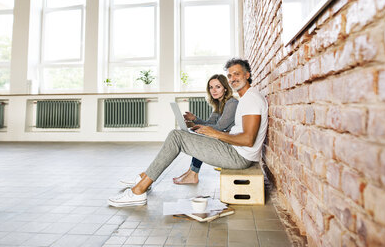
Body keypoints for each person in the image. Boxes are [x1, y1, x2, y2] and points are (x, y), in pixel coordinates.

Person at [108, 58, 268, 207]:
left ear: (247, 75)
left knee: (176, 136)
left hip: (239, 157)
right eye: (230, 75)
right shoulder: (247, 98)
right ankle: (144, 180)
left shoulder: (250, 99)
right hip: (235, 151)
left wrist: (216, 134)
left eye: (237, 74)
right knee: (180, 135)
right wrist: (205, 128)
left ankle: (138, 191)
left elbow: (248, 139)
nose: (233, 78)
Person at [173, 74, 238, 185]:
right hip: (223, 139)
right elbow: (210, 124)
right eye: (211, 87)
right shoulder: (219, 104)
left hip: (232, 144)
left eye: (218, 87)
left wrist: (199, 127)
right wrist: (194, 120)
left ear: (225, 88)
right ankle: (191, 172)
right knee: (201, 136)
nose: (214, 90)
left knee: (202, 138)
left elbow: (219, 128)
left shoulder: (231, 103)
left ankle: (193, 174)